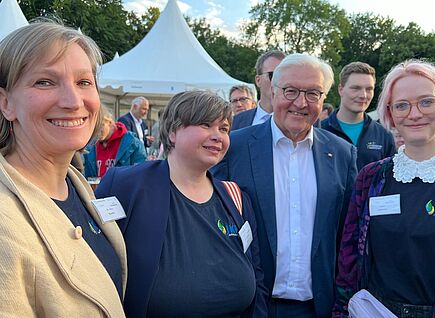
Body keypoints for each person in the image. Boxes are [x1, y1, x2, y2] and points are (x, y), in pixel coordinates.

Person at [95, 91, 267, 318]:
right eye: (205, 124)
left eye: (224, 129)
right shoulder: (127, 186)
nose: (217, 136)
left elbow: (257, 277)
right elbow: (97, 267)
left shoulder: (235, 197)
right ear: (173, 131)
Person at [212, 53, 357, 318]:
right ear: (273, 91)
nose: (301, 103)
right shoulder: (235, 148)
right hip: (250, 305)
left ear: (324, 98)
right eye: (290, 91)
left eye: (313, 93)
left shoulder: (342, 154)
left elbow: (347, 236)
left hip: (317, 308)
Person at [0, 21, 126, 317]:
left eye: (84, 82)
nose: (73, 101)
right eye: (45, 82)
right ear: (6, 103)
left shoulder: (75, 184)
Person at [334, 59, 435, 318]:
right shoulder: (372, 177)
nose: (414, 114)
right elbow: (349, 261)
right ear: (389, 113)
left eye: (425, 101)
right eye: (402, 105)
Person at [321, 62, 396, 170]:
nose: (363, 95)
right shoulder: (320, 131)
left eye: (369, 89)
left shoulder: (384, 135)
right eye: (356, 88)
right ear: (341, 89)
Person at [83, 106, 146, 179]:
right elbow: (87, 178)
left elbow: (141, 175)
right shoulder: (91, 148)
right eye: (93, 128)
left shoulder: (133, 144)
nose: (96, 132)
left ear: (109, 122)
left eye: (100, 126)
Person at [231, 49, 285, 130]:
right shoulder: (236, 122)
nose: (279, 81)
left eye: (284, 76)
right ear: (258, 80)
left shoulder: (302, 122)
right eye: (272, 75)